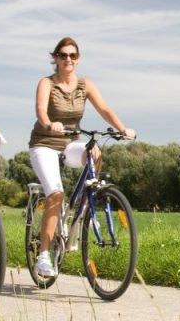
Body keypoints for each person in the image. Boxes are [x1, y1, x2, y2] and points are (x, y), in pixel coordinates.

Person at [29, 36, 134, 277]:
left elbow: (104, 109)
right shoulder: (47, 83)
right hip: (44, 143)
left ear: (78, 59)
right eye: (63, 55)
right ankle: (44, 256)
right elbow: (41, 111)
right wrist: (49, 124)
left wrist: (121, 128)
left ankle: (85, 208)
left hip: (69, 144)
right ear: (55, 58)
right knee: (55, 195)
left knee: (94, 150)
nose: (68, 59)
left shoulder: (84, 84)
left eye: (72, 55)